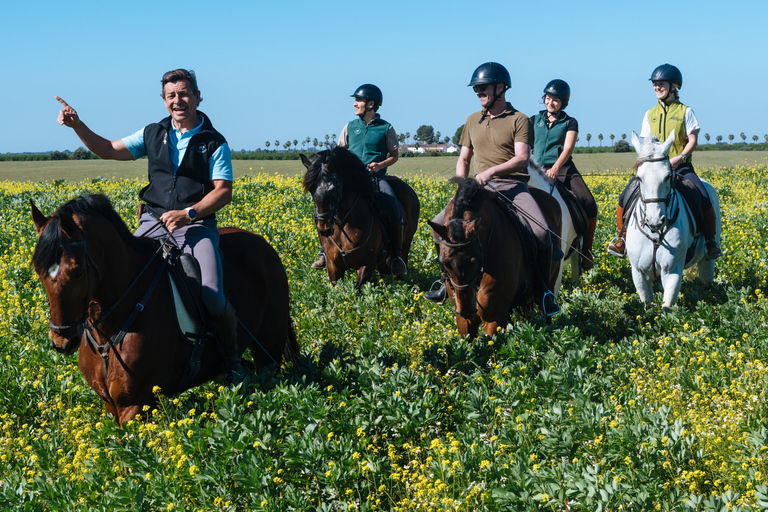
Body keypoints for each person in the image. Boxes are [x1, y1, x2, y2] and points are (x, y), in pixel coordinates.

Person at [55, 68, 243, 382]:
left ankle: (231, 360)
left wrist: (189, 214)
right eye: (171, 96)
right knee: (116, 274)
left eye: (184, 94)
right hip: (153, 224)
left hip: (195, 227)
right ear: (164, 100)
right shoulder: (152, 133)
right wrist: (77, 126)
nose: (178, 101)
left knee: (210, 293)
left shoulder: (213, 142)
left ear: (197, 97)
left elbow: (223, 191)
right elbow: (108, 149)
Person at [424, 62, 561, 316]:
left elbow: (521, 159)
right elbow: (464, 159)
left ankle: (544, 292)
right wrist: (461, 188)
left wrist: (491, 171)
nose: (478, 92)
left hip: (512, 186)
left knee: (543, 233)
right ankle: (446, 285)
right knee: (437, 227)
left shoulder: (519, 119)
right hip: (477, 190)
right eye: (476, 88)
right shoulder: (472, 121)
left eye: (482, 87)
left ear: (501, 88)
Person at [607, 64, 722, 260]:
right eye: (655, 84)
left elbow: (692, 140)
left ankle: (710, 241)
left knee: (703, 196)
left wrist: (680, 158)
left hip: (681, 167)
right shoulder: (649, 114)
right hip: (654, 170)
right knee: (625, 195)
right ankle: (622, 238)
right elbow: (645, 144)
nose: (657, 87)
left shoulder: (686, 111)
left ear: (674, 86)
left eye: (661, 84)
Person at [311, 84, 407, 275]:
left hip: (375, 178)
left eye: (358, 101)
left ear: (371, 104)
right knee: (324, 206)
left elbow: (394, 155)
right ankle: (324, 251)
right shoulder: (349, 126)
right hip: (351, 181)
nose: (355, 104)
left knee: (393, 207)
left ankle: (395, 255)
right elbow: (339, 152)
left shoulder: (385, 128)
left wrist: (380, 165)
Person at [530, 79, 598, 270]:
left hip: (563, 169)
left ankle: (587, 250)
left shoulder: (570, 122)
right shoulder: (534, 120)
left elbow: (567, 148)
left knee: (588, 202)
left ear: (563, 103)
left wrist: (556, 167)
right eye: (548, 98)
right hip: (536, 168)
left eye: (555, 100)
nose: (550, 103)